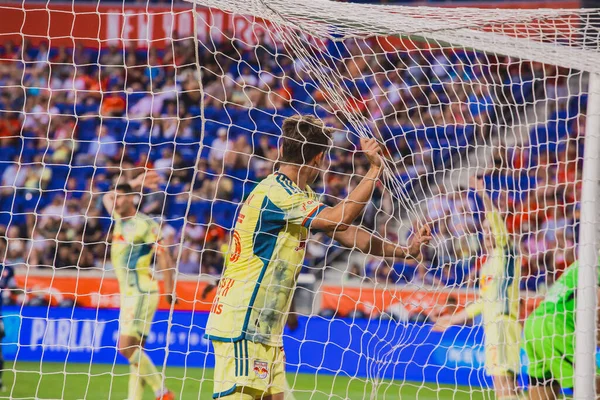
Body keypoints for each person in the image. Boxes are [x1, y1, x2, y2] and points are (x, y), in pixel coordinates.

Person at [205, 115, 431, 399]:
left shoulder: (297, 194)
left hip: (265, 328)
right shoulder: (278, 194)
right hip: (243, 322)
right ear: (319, 159)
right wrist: (374, 169)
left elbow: (349, 233)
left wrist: (405, 252)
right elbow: (339, 219)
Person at [433, 176, 521, 400]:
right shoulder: (487, 266)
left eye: (491, 228)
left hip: (503, 322)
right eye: (485, 229)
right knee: (504, 386)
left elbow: (499, 228)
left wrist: (482, 194)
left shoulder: (506, 254)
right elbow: (482, 302)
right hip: (491, 327)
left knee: (504, 387)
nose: (488, 232)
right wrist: (452, 319)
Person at [102, 172, 177, 400]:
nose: (115, 200)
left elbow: (164, 256)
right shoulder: (118, 219)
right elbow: (106, 197)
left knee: (125, 348)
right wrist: (133, 183)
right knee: (137, 351)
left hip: (142, 291)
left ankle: (162, 392)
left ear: (132, 199)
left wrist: (170, 288)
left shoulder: (145, 224)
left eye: (121, 197)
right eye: (115, 197)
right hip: (130, 293)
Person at [523, 259, 600, 399]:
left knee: (542, 387)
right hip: (557, 325)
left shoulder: (585, 259)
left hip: (536, 322)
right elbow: (598, 300)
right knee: (595, 388)